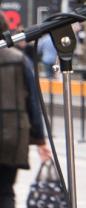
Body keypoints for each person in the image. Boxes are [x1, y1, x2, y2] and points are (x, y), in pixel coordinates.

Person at [0, 13, 52, 207]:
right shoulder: (19, 60)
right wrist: (40, 139)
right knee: (5, 190)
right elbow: (32, 103)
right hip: (12, 136)